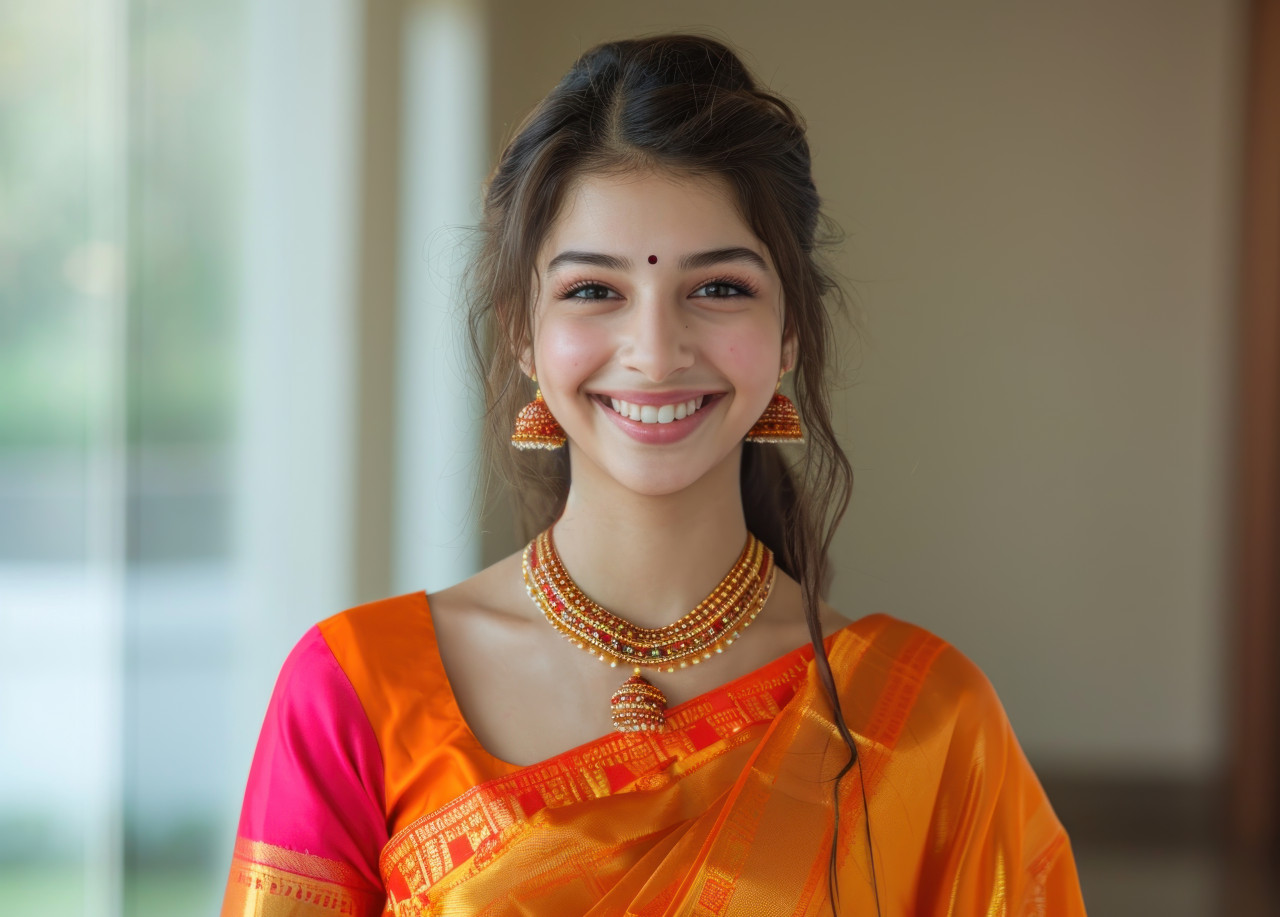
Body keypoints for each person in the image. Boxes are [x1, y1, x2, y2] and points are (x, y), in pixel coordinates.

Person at [220, 34, 1087, 916]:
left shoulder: (927, 720)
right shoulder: (355, 691)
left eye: (719, 289)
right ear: (523, 329)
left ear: (790, 331)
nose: (655, 352)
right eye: (595, 291)